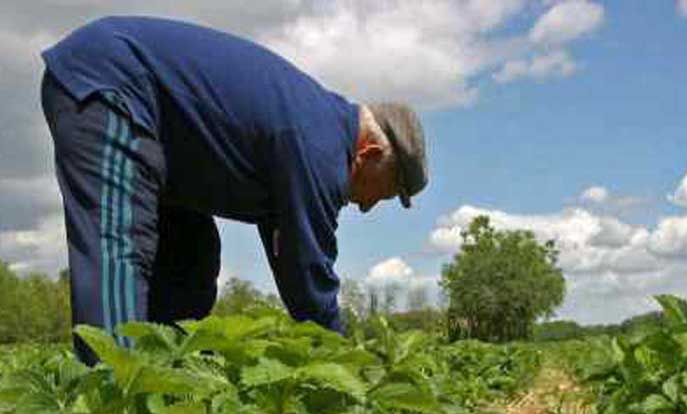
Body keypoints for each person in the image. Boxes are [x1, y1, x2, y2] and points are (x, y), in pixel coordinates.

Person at [39, 16, 428, 366]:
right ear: (370, 153)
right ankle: (113, 400)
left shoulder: (316, 134)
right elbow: (308, 274)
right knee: (120, 243)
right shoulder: (321, 146)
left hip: (170, 142)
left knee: (192, 261)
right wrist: (346, 368)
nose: (367, 206)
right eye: (386, 191)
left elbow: (290, 257)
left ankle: (169, 386)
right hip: (113, 83)